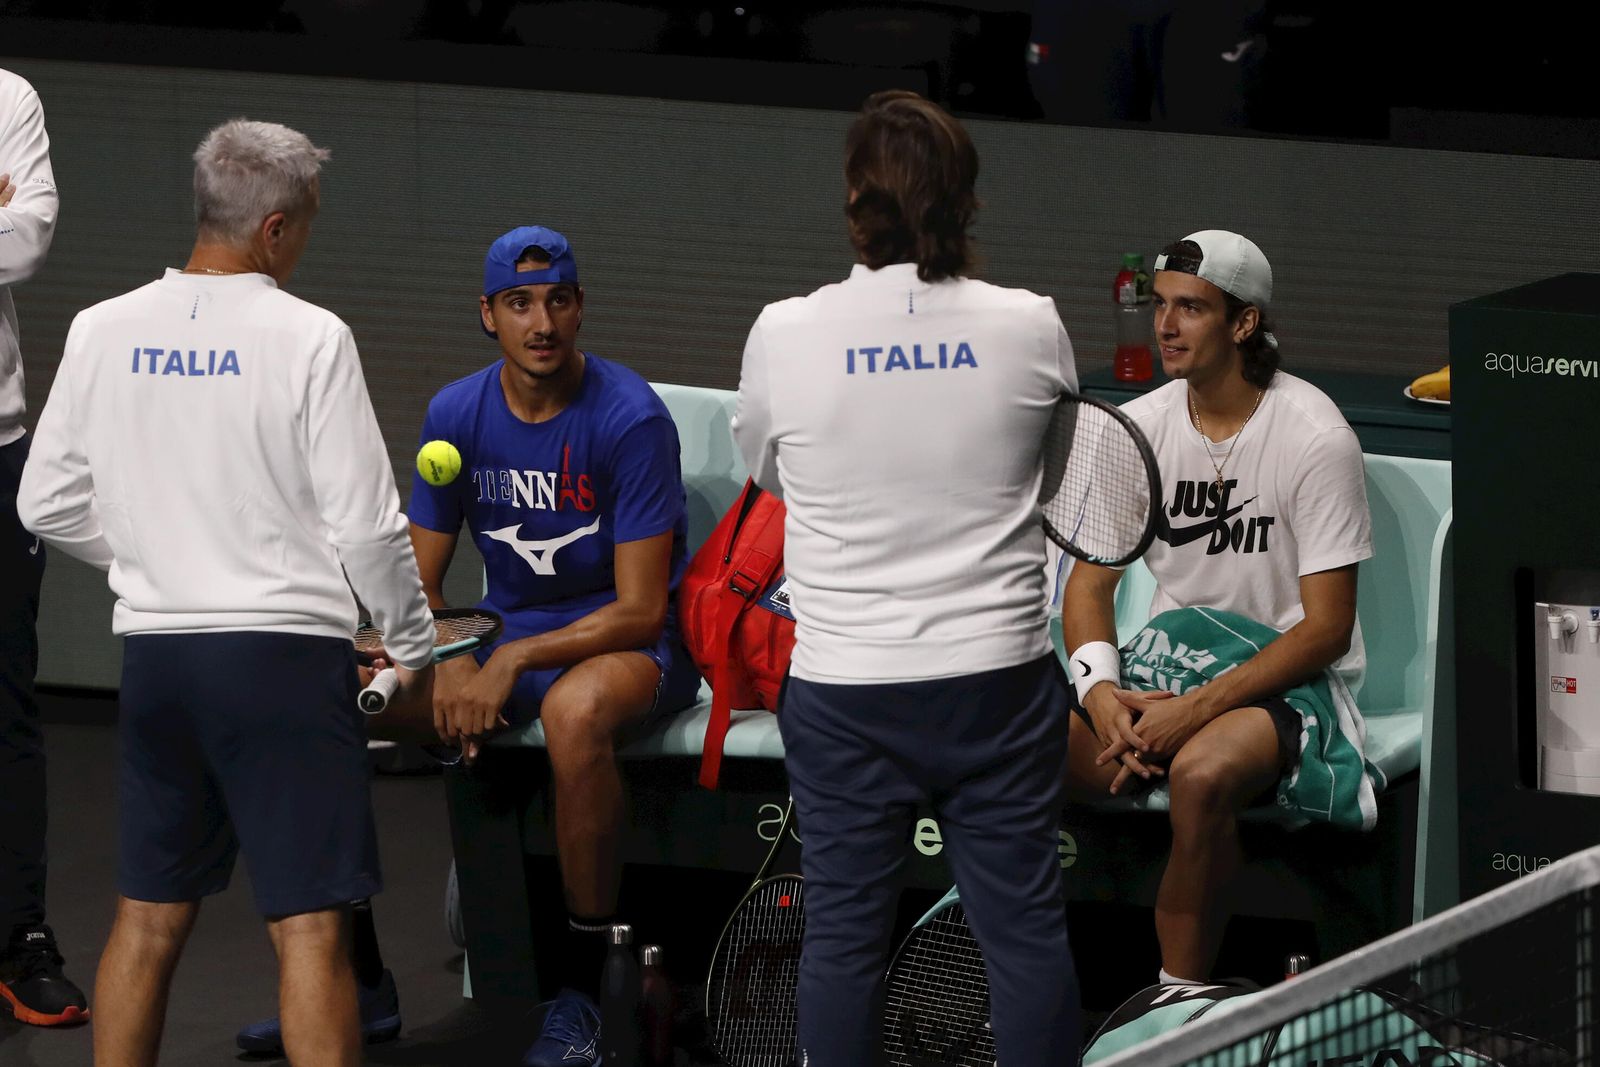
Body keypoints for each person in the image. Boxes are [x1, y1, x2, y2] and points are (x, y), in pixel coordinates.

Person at [16, 118, 436, 1067]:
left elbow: (44, 503)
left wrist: (151, 560)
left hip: (160, 664)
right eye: (307, 225)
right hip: (283, 669)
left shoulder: (100, 327)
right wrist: (414, 646)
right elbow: (370, 527)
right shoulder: (312, 335)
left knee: (147, 917)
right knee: (312, 929)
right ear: (275, 229)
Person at [733, 90, 1081, 1067]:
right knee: (1023, 932)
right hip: (998, 683)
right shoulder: (1031, 324)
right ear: (965, 201)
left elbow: (769, 473)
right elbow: (1053, 475)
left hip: (847, 689)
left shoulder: (783, 332)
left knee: (844, 938)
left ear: (856, 201)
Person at [409, 224, 699, 1066]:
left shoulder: (631, 418)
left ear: (579, 308)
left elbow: (641, 610)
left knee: (575, 712)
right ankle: (352, 964)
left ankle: (588, 985)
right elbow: (420, 587)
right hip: (508, 635)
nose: (541, 323)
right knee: (351, 688)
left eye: (557, 301)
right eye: (519, 303)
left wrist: (505, 658)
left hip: (633, 645)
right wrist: (452, 657)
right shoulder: (454, 414)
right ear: (487, 314)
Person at [1059, 230, 1374, 984]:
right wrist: (1100, 694)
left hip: (1281, 684)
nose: (1165, 326)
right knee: (1005, 738)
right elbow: (1090, 586)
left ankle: (1181, 1002)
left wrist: (1193, 712)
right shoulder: (1141, 428)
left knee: (1200, 775)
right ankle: (1026, 987)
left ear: (1244, 323)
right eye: (1160, 305)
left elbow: (1327, 629)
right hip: (1164, 669)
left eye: (1192, 308)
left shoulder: (1315, 435)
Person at [0, 64, 84, 1031]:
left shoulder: (8, 97)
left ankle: (18, 936)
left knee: (5, 708)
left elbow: (23, 246)